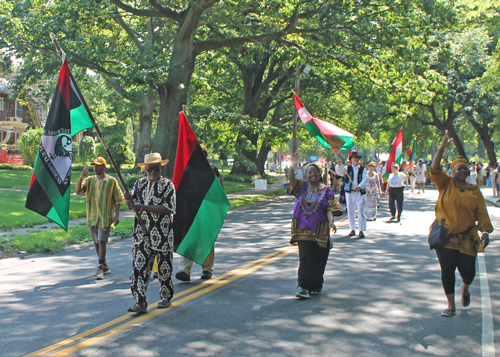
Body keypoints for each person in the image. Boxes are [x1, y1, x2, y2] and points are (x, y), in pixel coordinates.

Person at [430, 131, 493, 317]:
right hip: (445, 237)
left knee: (469, 272)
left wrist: (486, 231)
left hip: (468, 238)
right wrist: (441, 149)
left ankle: (465, 289)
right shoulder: (445, 183)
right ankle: (451, 304)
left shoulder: (474, 191)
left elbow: (482, 211)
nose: (463, 172)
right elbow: (434, 168)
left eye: (465, 169)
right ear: (452, 171)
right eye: (459, 169)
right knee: (447, 270)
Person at [124, 153, 176, 313]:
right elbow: (131, 205)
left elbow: (169, 208)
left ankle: (166, 297)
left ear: (161, 168)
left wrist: (144, 207)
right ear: (145, 169)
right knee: (138, 266)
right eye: (150, 169)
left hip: (162, 233)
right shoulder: (138, 184)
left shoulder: (168, 185)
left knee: (164, 267)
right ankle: (139, 301)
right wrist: (128, 200)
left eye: (157, 168)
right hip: (141, 232)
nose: (154, 171)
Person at [288, 152, 336, 299]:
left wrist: (332, 221)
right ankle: (303, 287)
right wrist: (292, 165)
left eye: (314, 171)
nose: (312, 174)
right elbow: (291, 180)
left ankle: (316, 284)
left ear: (319, 173)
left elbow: (330, 208)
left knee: (319, 259)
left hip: (321, 230)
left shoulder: (327, 190)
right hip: (303, 230)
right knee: (305, 259)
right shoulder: (301, 187)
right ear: (306, 175)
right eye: (309, 172)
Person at [175, 145, 222, 282]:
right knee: (188, 238)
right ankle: (184, 270)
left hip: (206, 209)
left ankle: (207, 269)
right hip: (190, 209)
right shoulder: (187, 170)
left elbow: (219, 189)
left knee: (207, 238)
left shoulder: (212, 170)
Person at [76, 156, 124, 280]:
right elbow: (78, 191)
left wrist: (117, 215)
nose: (95, 168)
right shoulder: (90, 180)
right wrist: (81, 176)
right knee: (97, 242)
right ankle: (104, 264)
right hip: (92, 216)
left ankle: (100, 267)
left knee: (102, 241)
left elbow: (118, 199)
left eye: (97, 165)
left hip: (105, 217)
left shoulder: (111, 181)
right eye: (94, 165)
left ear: (104, 166)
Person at [335, 152, 368, 238]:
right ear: (351, 159)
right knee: (350, 211)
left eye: (357, 158)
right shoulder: (347, 168)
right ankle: (352, 229)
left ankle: (361, 230)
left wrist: (360, 186)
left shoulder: (362, 169)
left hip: (359, 193)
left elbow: (365, 179)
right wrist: (338, 165)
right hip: (350, 192)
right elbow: (340, 173)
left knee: (360, 211)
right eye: (354, 158)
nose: (356, 159)